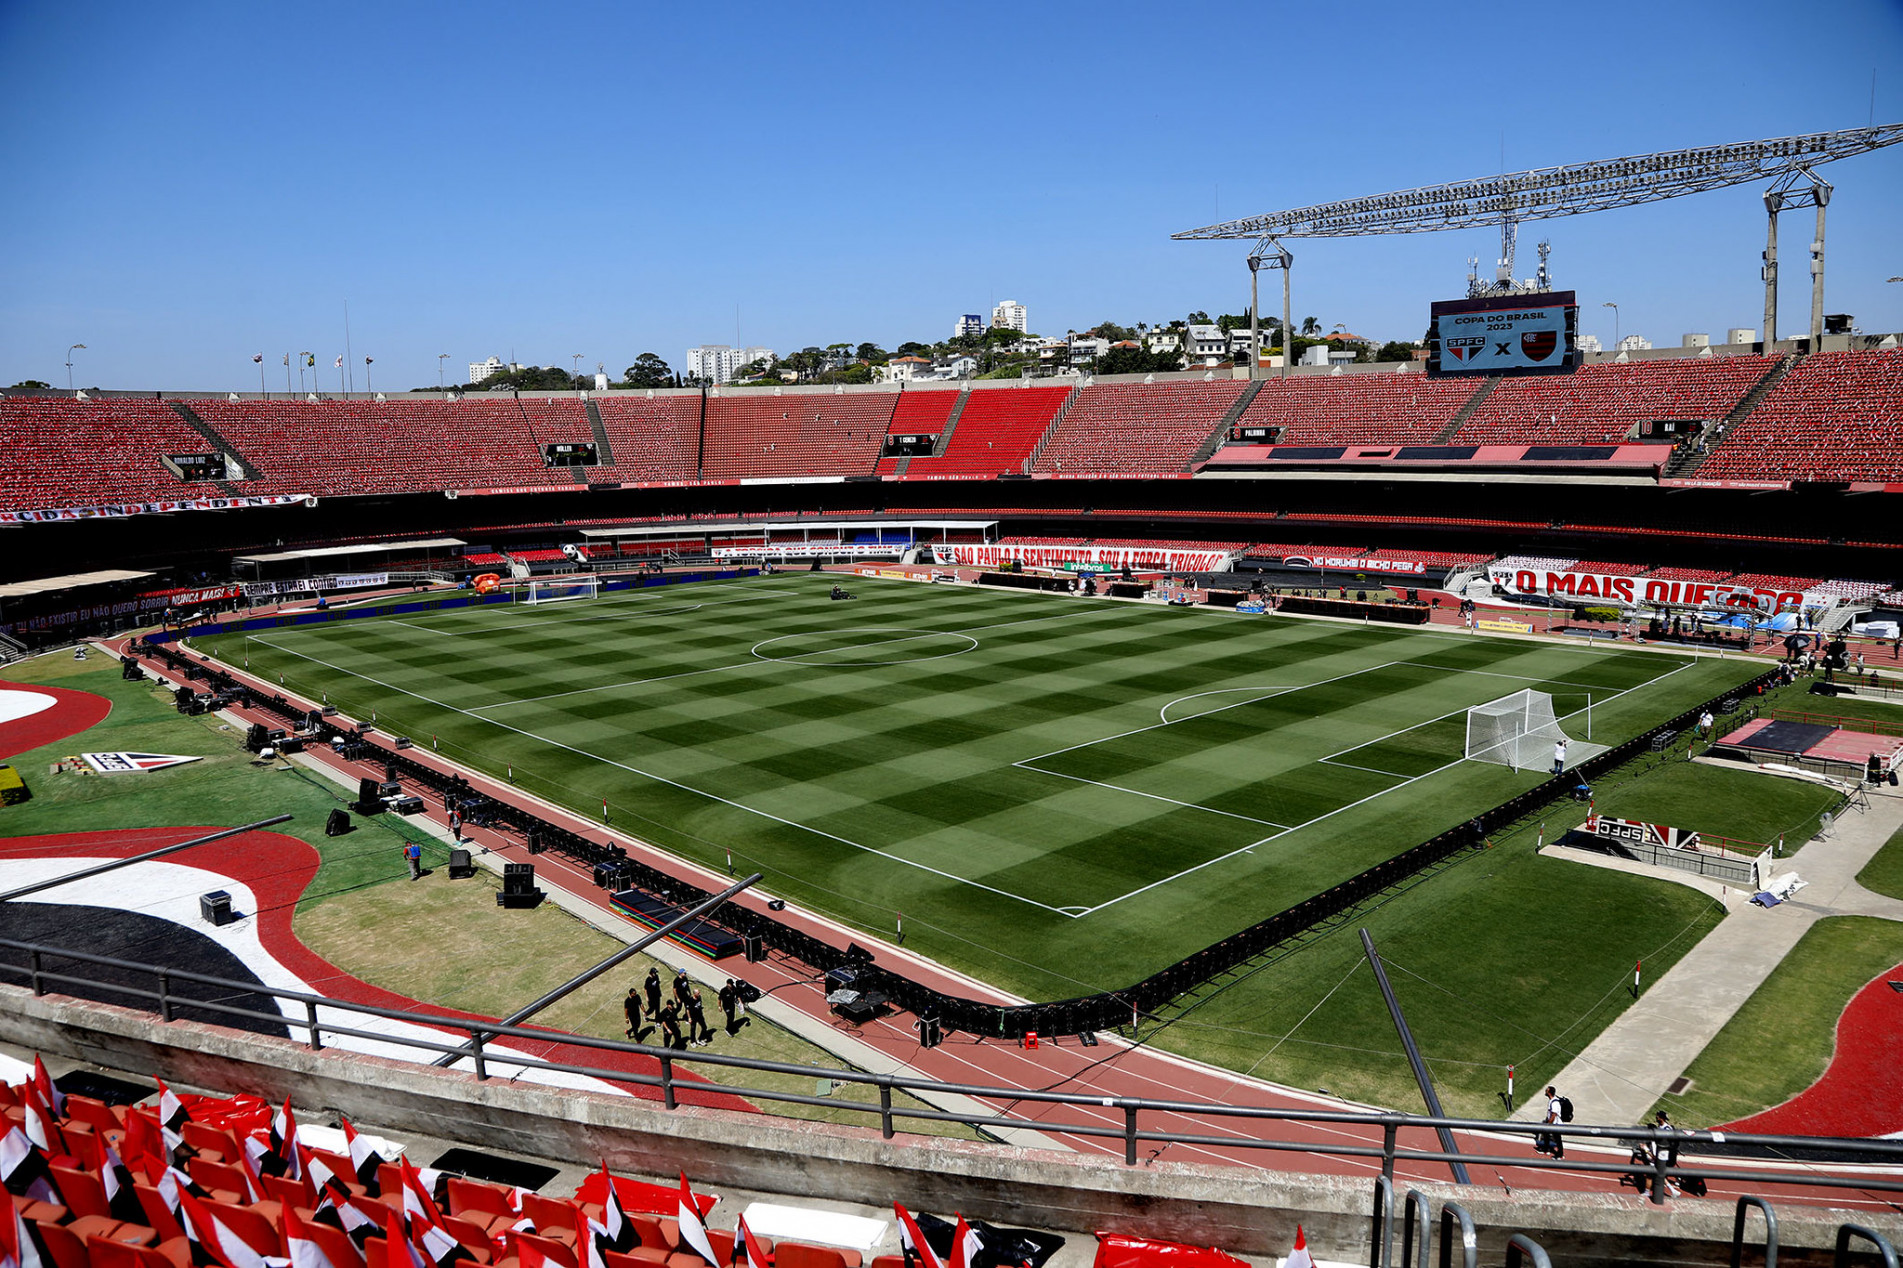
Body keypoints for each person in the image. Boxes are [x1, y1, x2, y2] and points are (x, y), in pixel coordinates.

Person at [1538, 1086, 1565, 1159]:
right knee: (1546, 1134)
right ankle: (1546, 1149)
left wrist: (1548, 1124)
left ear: (1549, 1093)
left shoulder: (1555, 1103)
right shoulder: (1552, 1100)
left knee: (1557, 1139)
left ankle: (1560, 1154)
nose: (1545, 1091)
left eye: (1546, 1090)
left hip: (1555, 1124)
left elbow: (1554, 1115)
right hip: (1552, 1123)